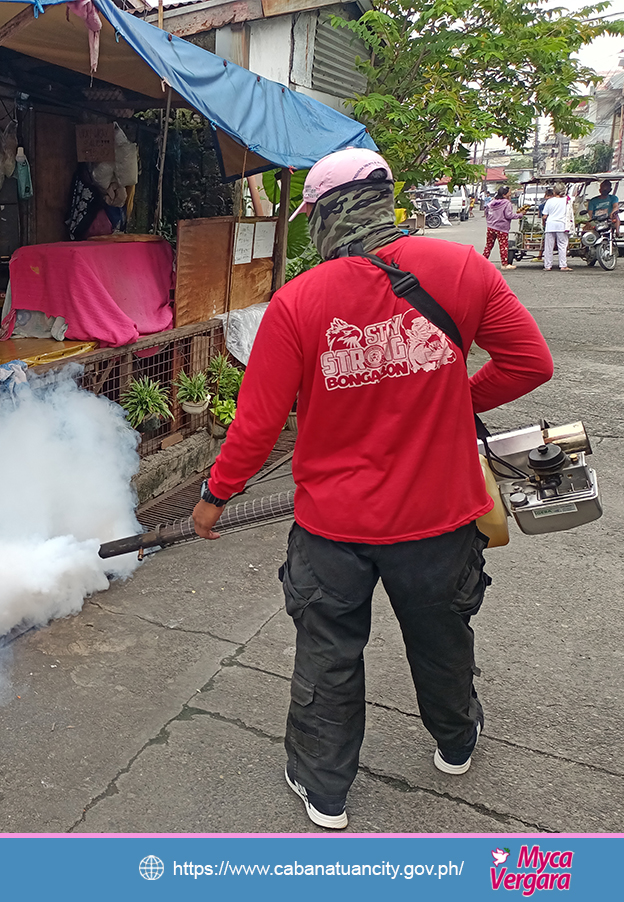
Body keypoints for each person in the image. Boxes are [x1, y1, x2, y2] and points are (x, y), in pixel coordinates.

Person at [190, 148, 553, 830]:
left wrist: (216, 496)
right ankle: (456, 741)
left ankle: (325, 790)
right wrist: (456, 403)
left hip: (333, 528)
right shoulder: (462, 270)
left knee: (329, 654)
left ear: (327, 213)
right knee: (442, 637)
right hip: (441, 519)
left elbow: (257, 424)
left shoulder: (298, 301)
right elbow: (529, 363)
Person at [483, 186, 522, 269]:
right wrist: (520, 215)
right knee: (503, 246)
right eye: (509, 193)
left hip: (491, 227)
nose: (510, 194)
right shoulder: (506, 203)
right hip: (502, 228)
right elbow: (508, 215)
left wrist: (490, 221)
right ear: (504, 194)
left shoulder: (492, 202)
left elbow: (486, 213)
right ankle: (504, 264)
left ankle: (482, 261)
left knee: (488, 246)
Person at [540, 186, 571, 271]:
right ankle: (563, 265)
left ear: (554, 192)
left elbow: (544, 216)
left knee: (548, 246)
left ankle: (547, 266)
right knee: (562, 245)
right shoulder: (566, 200)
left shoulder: (549, 201)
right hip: (562, 225)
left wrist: (544, 223)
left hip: (550, 225)